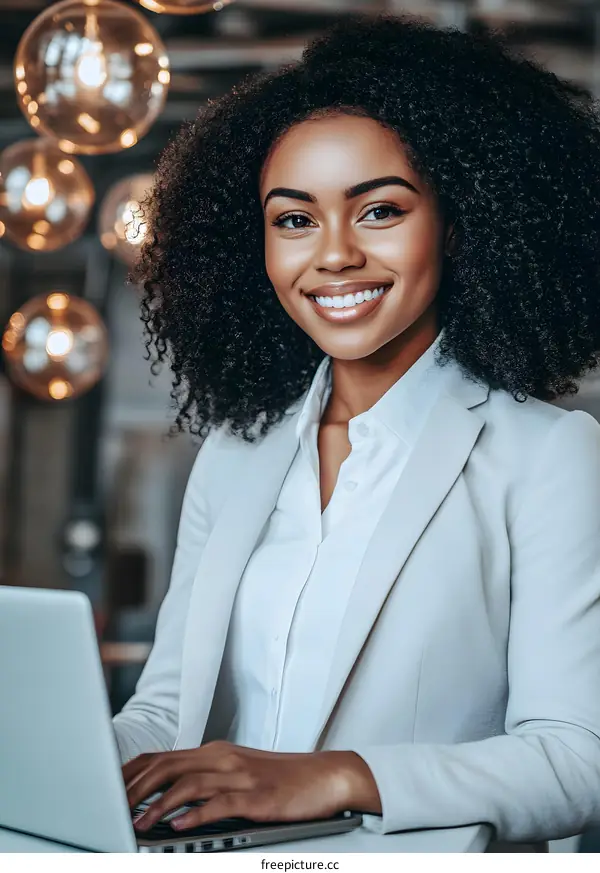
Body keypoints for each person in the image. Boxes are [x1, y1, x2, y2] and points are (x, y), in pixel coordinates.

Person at [113, 12, 600, 848]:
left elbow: (578, 758)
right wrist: (67, 760)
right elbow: (166, 710)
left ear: (459, 222)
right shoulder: (235, 456)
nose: (332, 255)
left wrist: (336, 775)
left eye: (378, 211)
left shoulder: (549, 456)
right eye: (294, 220)